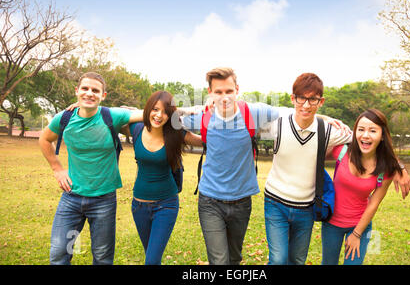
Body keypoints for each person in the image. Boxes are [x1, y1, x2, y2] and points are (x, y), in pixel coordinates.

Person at [181, 67, 345, 265]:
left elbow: (295, 112)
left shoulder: (254, 112)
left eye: (229, 91)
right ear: (210, 93)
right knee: (219, 260)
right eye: (218, 92)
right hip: (210, 201)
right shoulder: (201, 115)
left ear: (237, 90)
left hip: (242, 201)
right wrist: (200, 136)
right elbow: (166, 119)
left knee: (234, 258)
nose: (224, 97)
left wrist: (326, 119)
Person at [39, 72, 142, 265]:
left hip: (104, 200)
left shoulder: (111, 115)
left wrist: (194, 110)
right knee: (59, 254)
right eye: (85, 89)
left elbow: (152, 112)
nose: (89, 93)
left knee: (102, 258)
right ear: (77, 91)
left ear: (103, 96)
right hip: (71, 197)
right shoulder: (64, 118)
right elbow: (44, 139)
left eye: (95, 90)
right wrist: (57, 168)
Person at [263, 73, 353, 265]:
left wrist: (399, 167)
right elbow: (243, 118)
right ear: (292, 98)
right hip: (275, 203)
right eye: (301, 98)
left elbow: (365, 138)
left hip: (306, 208)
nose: (306, 104)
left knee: (297, 260)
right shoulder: (277, 123)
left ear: (321, 101)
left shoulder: (328, 131)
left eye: (312, 99)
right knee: (278, 260)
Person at [321, 108, 405, 265]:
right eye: (361, 130)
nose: (365, 135)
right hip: (331, 223)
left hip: (360, 226)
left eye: (373, 130)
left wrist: (357, 234)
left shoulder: (386, 168)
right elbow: (313, 147)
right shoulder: (342, 150)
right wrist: (325, 118)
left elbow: (374, 203)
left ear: (381, 136)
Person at [129, 91, 202, 265]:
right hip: (138, 206)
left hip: (166, 205)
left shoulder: (176, 134)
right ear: (148, 109)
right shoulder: (136, 129)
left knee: (151, 261)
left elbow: (205, 140)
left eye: (165, 112)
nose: (159, 115)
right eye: (155, 109)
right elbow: (111, 114)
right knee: (151, 257)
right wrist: (85, 106)